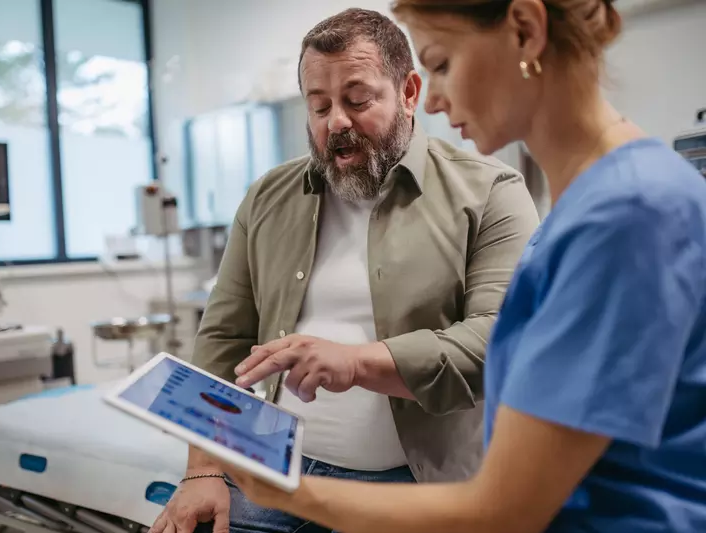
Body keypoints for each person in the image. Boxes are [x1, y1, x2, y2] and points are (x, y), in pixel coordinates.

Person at [207, 1, 706, 533]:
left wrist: (288, 490)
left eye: (442, 64)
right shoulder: (593, 206)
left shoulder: (627, 213)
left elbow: (506, 507)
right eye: (320, 105)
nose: (438, 101)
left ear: (525, 30)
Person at [150, 7, 539, 533]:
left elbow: (498, 344)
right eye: (319, 106)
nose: (336, 122)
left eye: (358, 100)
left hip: (411, 485)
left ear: (408, 92)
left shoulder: (492, 192)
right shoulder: (269, 196)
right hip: (268, 472)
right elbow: (223, 337)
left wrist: (356, 363)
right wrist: (202, 469)